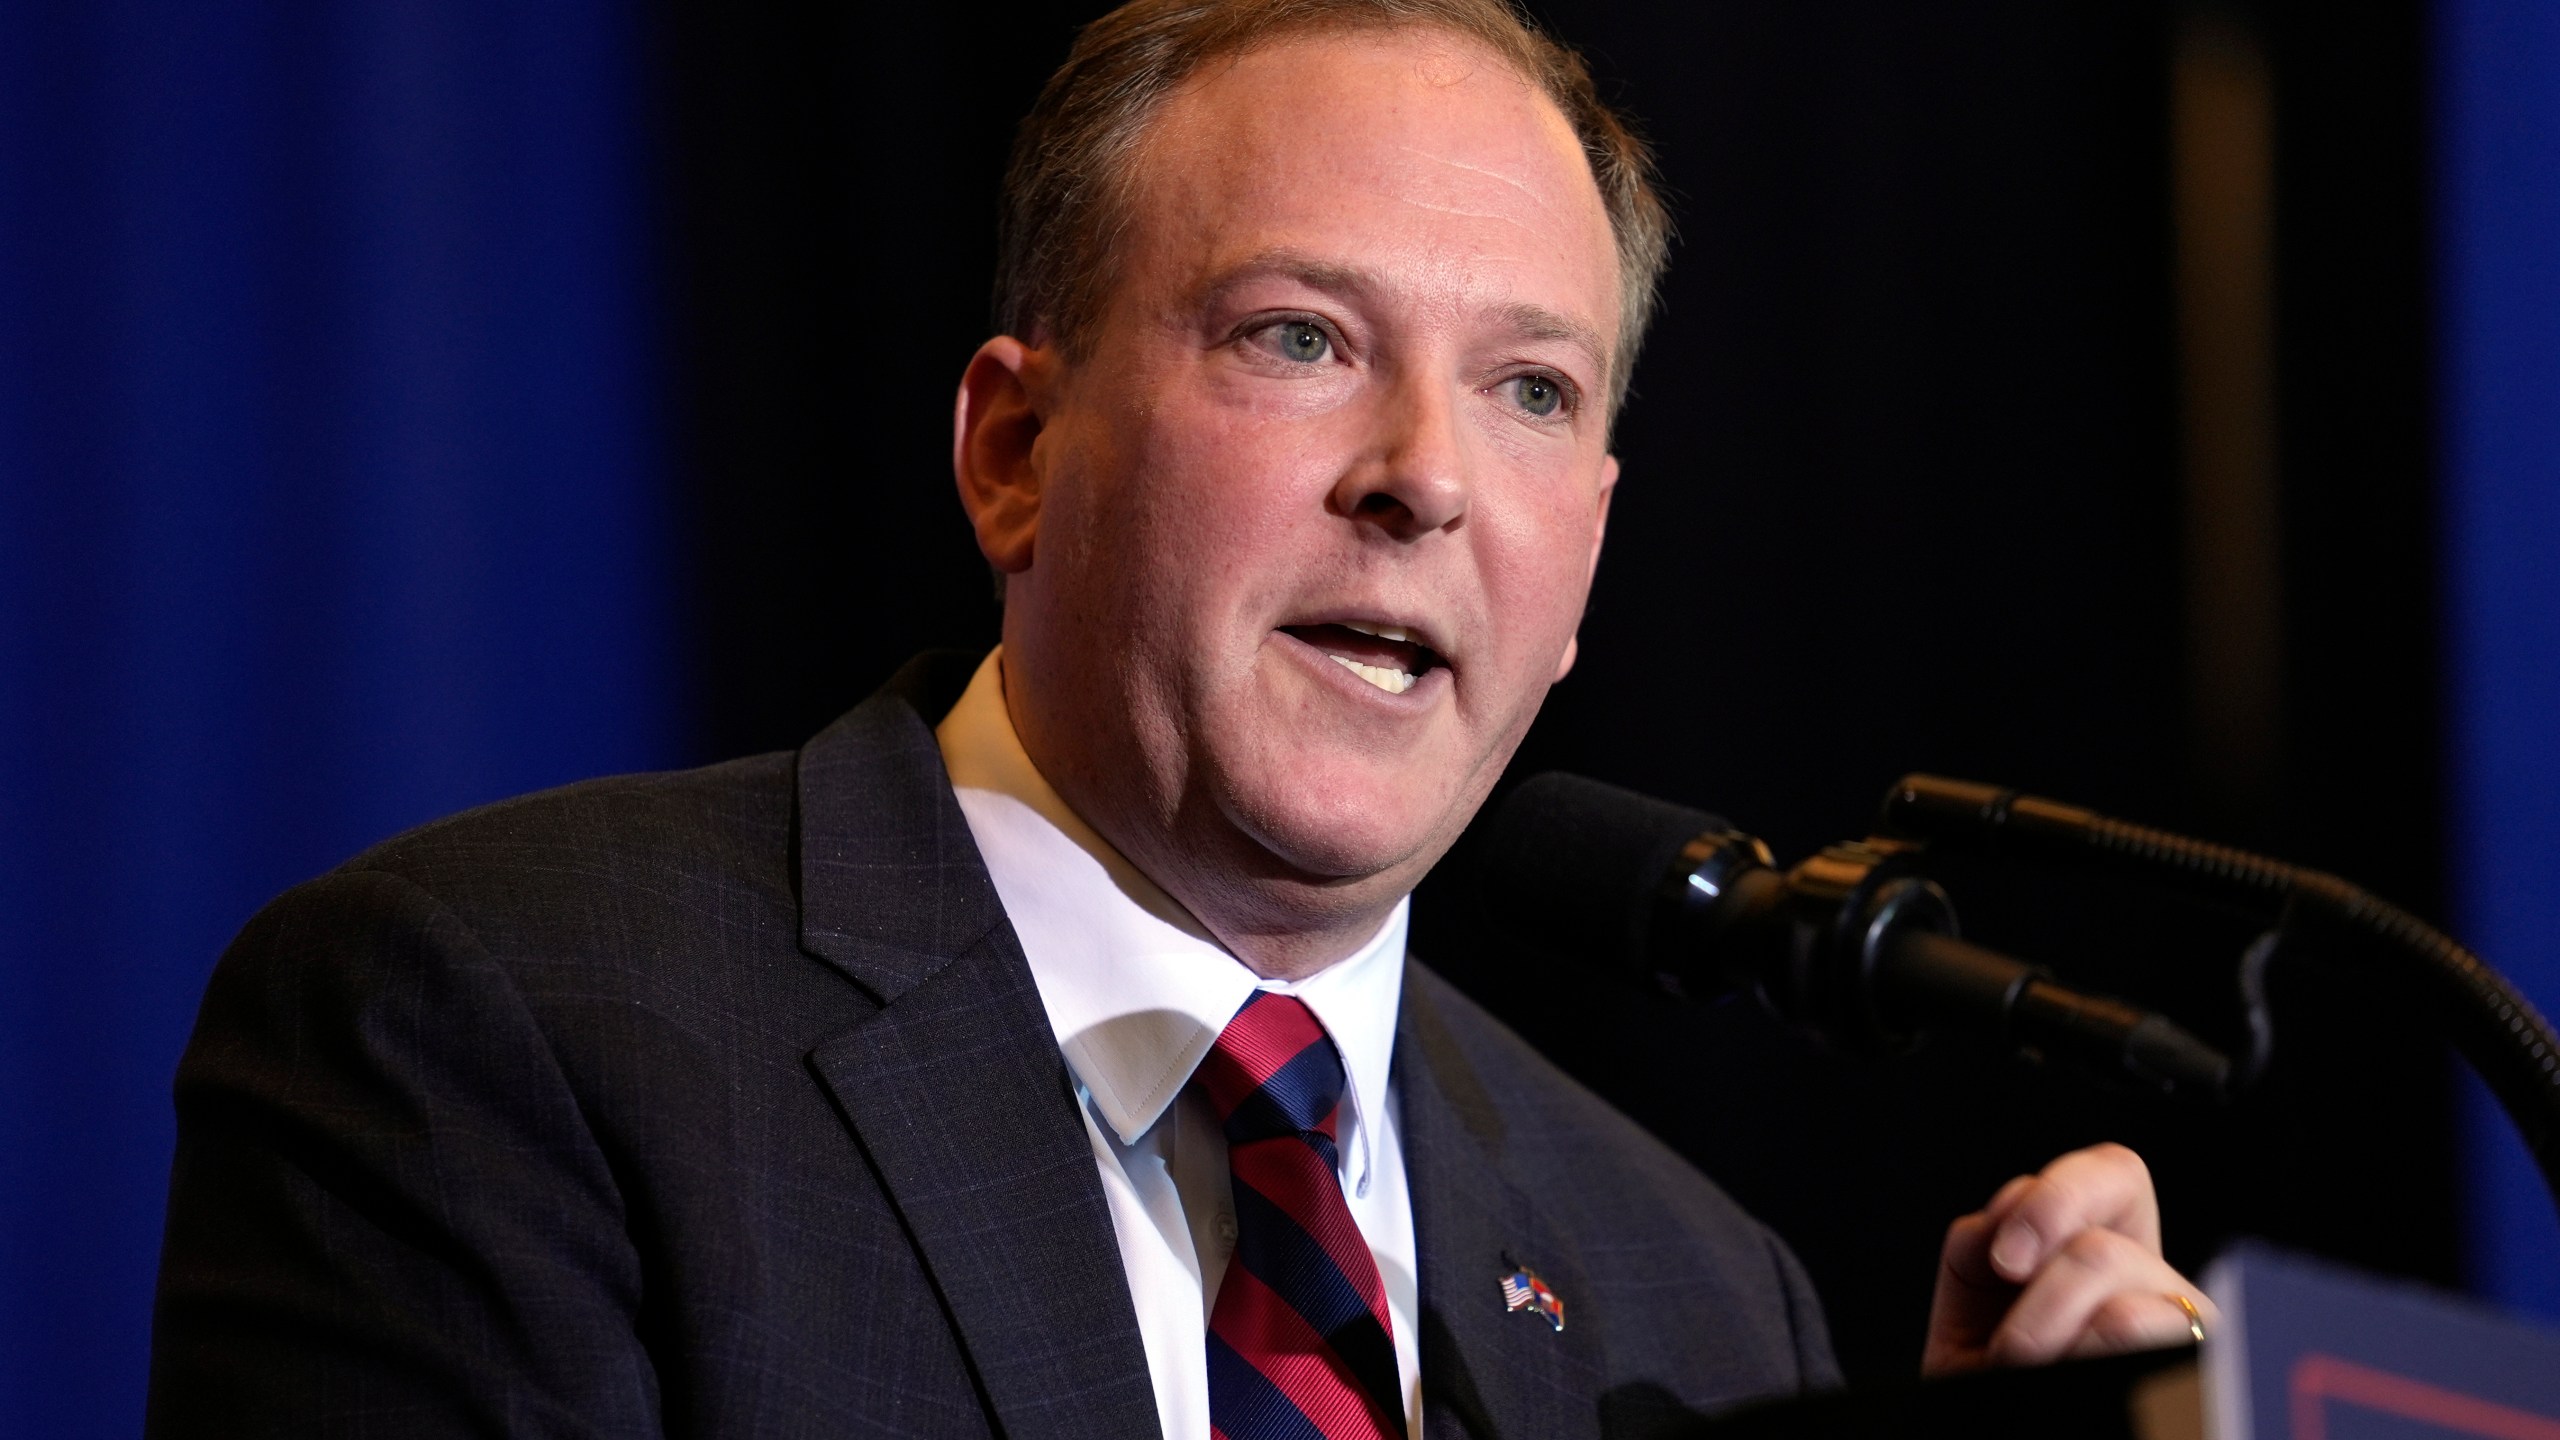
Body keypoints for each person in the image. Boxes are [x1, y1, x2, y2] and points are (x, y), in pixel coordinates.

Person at [146, 1, 2217, 1435]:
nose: (1422, 474)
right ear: (1013, 451)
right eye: (1299, 338)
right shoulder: (502, 1032)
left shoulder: (1692, 1288)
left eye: (1529, 391)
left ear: (1582, 557)